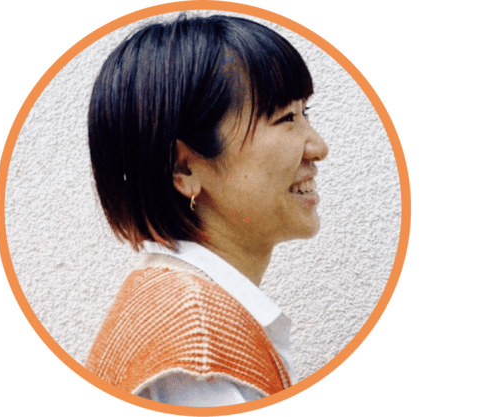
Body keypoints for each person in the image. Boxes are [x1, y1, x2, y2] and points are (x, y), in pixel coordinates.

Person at [85, 14, 328, 406]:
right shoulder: (196, 351)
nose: (318, 148)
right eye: (285, 118)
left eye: (305, 112)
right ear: (184, 169)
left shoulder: (176, 308)